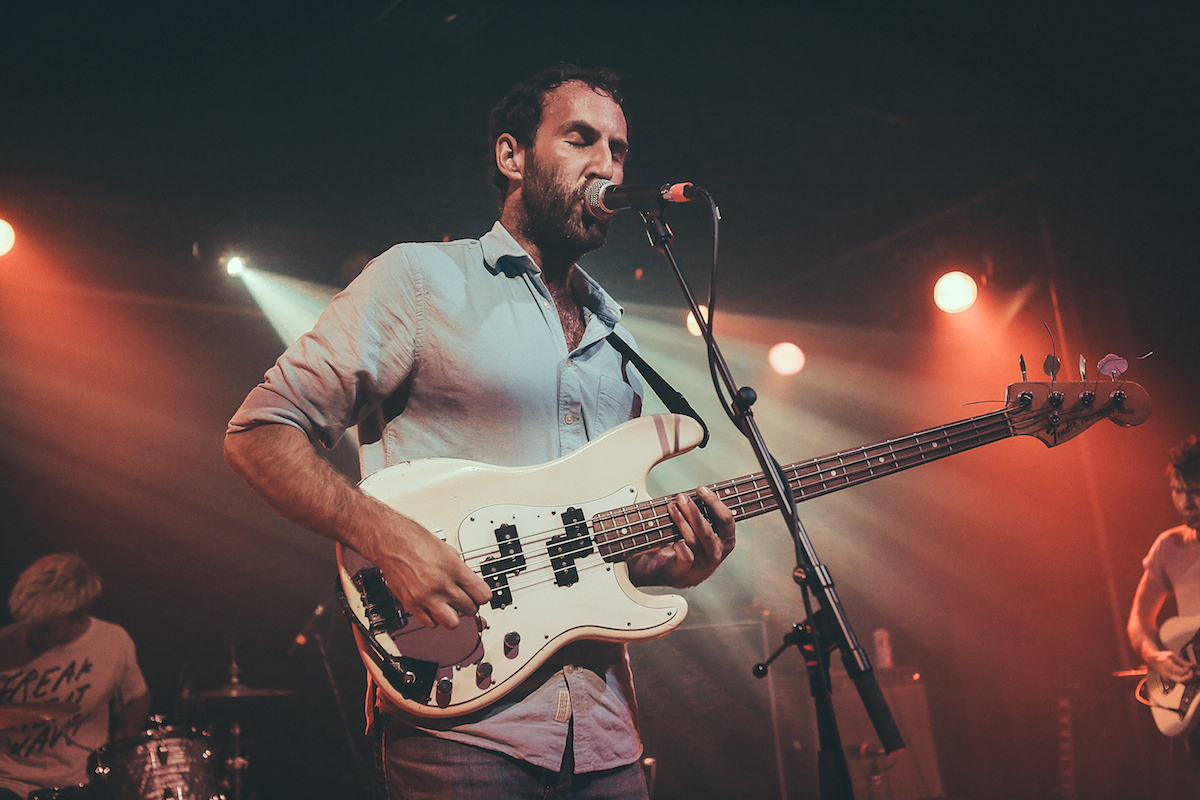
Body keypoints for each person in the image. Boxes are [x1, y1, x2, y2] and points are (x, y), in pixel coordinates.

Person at [223, 63, 737, 799]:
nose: (607, 164)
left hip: (604, 740)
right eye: (581, 139)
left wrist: (672, 563)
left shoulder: (617, 344)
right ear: (511, 156)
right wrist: (389, 538)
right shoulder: (421, 281)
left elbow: (587, 554)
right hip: (459, 731)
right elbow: (258, 432)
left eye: (619, 150)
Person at [0, 553, 151, 799]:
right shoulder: (4, 644)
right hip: (9, 781)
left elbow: (136, 696)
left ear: (77, 614)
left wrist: (123, 738)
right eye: (28, 621)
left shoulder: (113, 642)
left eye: (45, 627)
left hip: (79, 784)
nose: (31, 633)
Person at [1128, 435, 1200, 769]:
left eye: (1196, 489)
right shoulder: (1168, 546)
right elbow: (1139, 621)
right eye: (1178, 490)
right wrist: (1154, 656)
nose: (1187, 502)